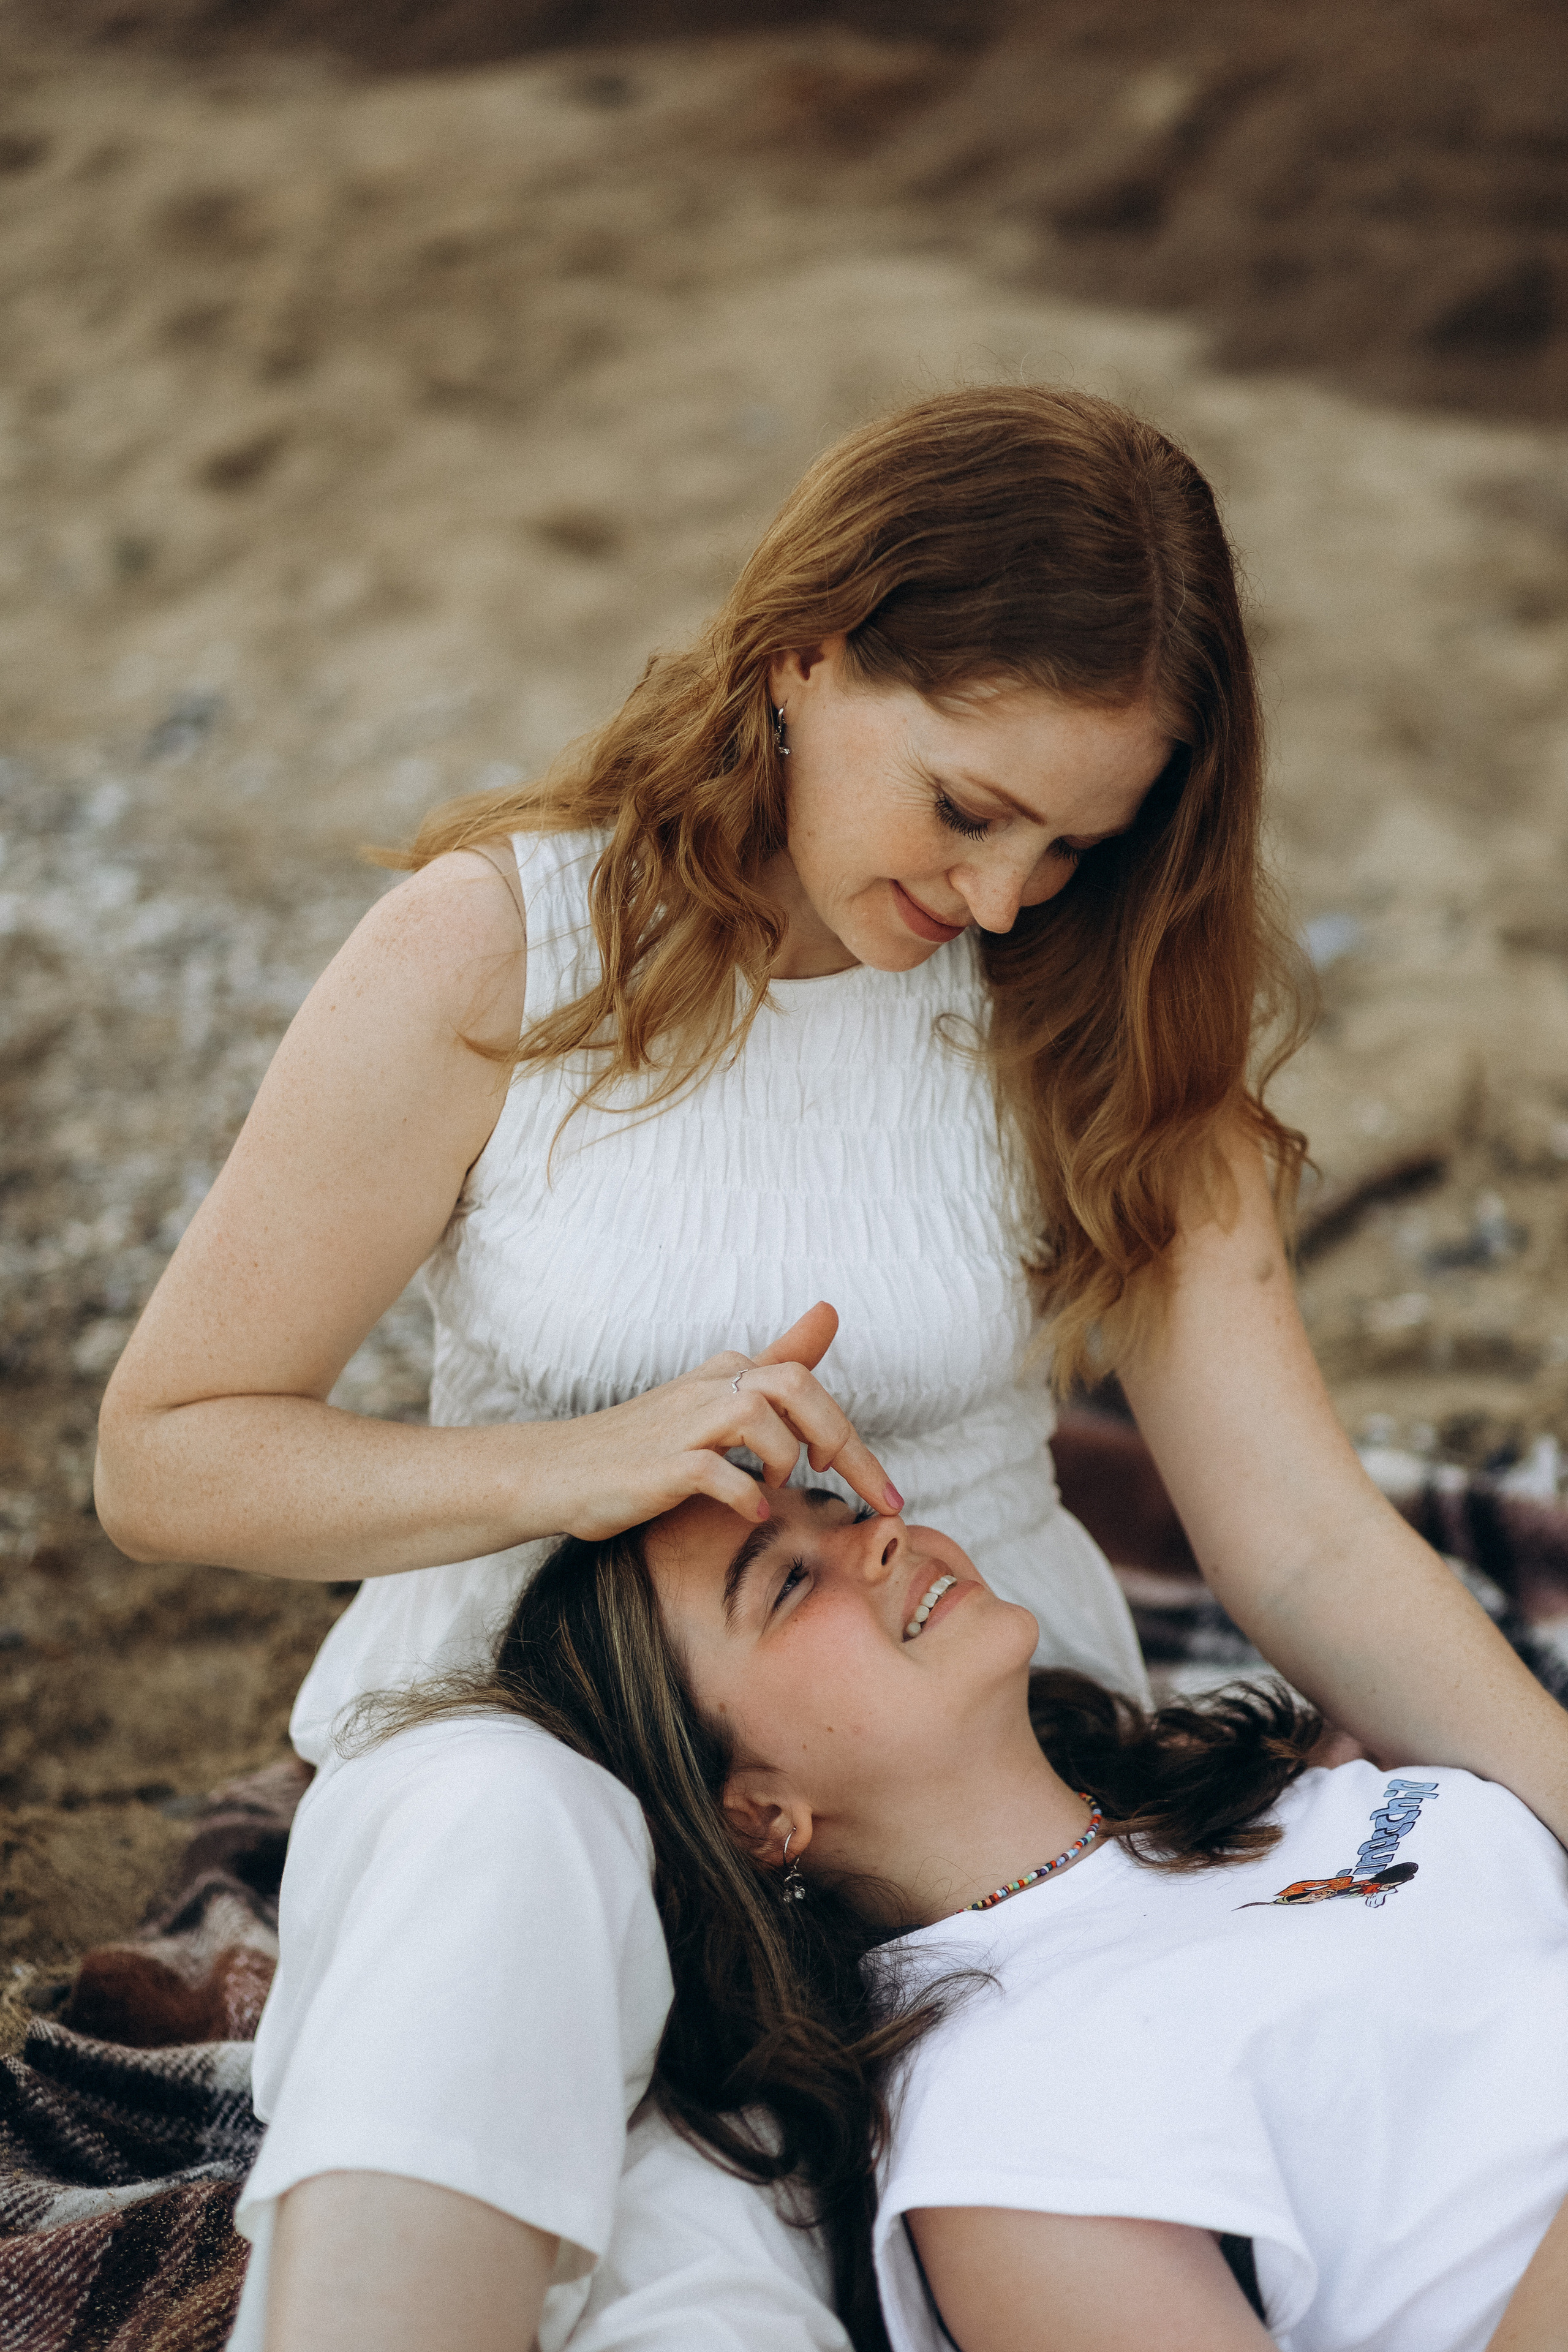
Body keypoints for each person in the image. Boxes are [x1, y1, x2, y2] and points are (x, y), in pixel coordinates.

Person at [91, 385, 1568, 2350]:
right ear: (803, 653)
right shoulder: (504, 952)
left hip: (966, 1783)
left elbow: (1297, 1539)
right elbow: (169, 1457)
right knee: (510, 1861)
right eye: (967, 807)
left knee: (727, 2279)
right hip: (535, 1711)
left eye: (1074, 840)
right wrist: (585, 1465)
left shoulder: (1090, 991)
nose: (1002, 897)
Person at [402, 1482, 1568, 2352]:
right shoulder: (1004, 2135)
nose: (881, 1536)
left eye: (839, 1507)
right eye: (789, 1582)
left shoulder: (1283, 1778)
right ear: (758, 1816)